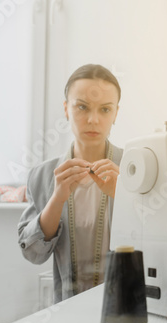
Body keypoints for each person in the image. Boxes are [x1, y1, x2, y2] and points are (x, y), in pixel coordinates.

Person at [18, 64, 123, 303]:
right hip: (66, 309)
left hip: (125, 306)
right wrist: (57, 198)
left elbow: (161, 247)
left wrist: (124, 194)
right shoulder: (42, 175)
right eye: (82, 107)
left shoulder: (137, 168)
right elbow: (33, 253)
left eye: (105, 109)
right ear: (66, 109)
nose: (93, 119)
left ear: (116, 113)